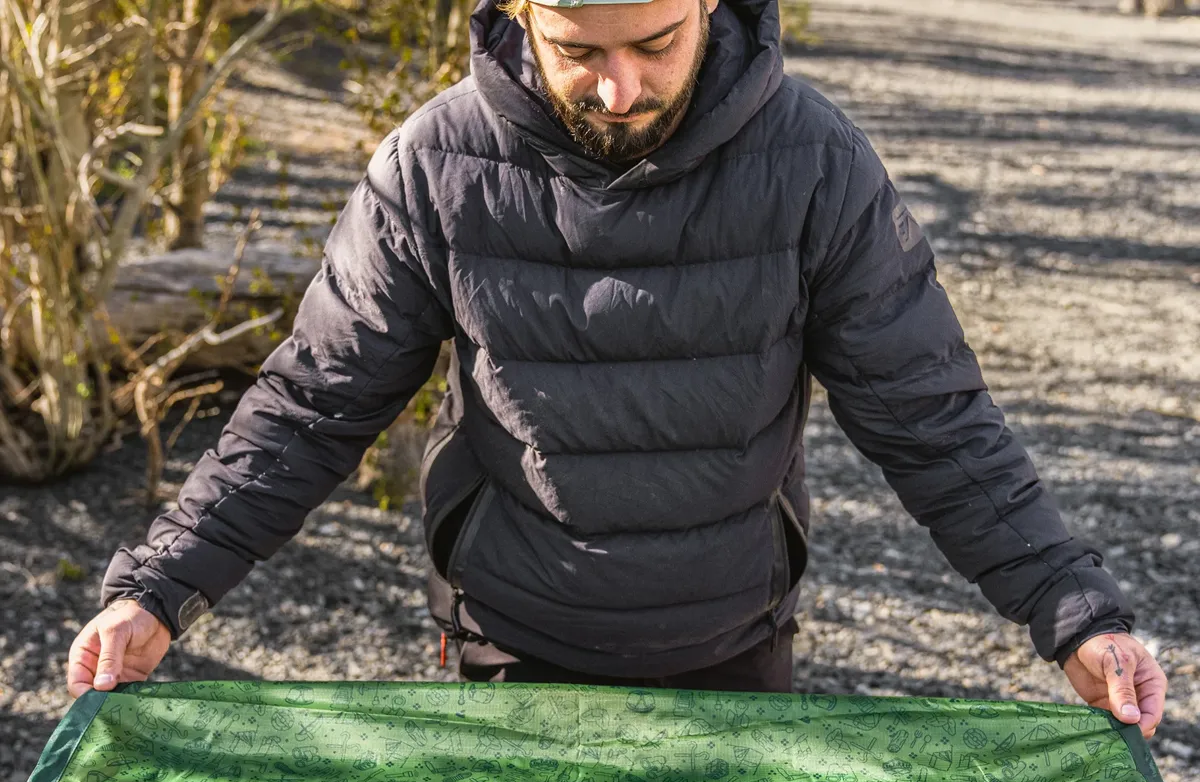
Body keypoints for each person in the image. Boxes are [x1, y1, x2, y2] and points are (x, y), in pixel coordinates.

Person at [68, 0, 1166, 735]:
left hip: (733, 645)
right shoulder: (432, 167)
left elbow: (933, 419)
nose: (618, 90)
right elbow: (311, 406)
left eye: (655, 44)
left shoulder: (818, 164)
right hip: (509, 646)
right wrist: (158, 591)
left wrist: (1077, 617)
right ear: (518, 14)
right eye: (580, 52)